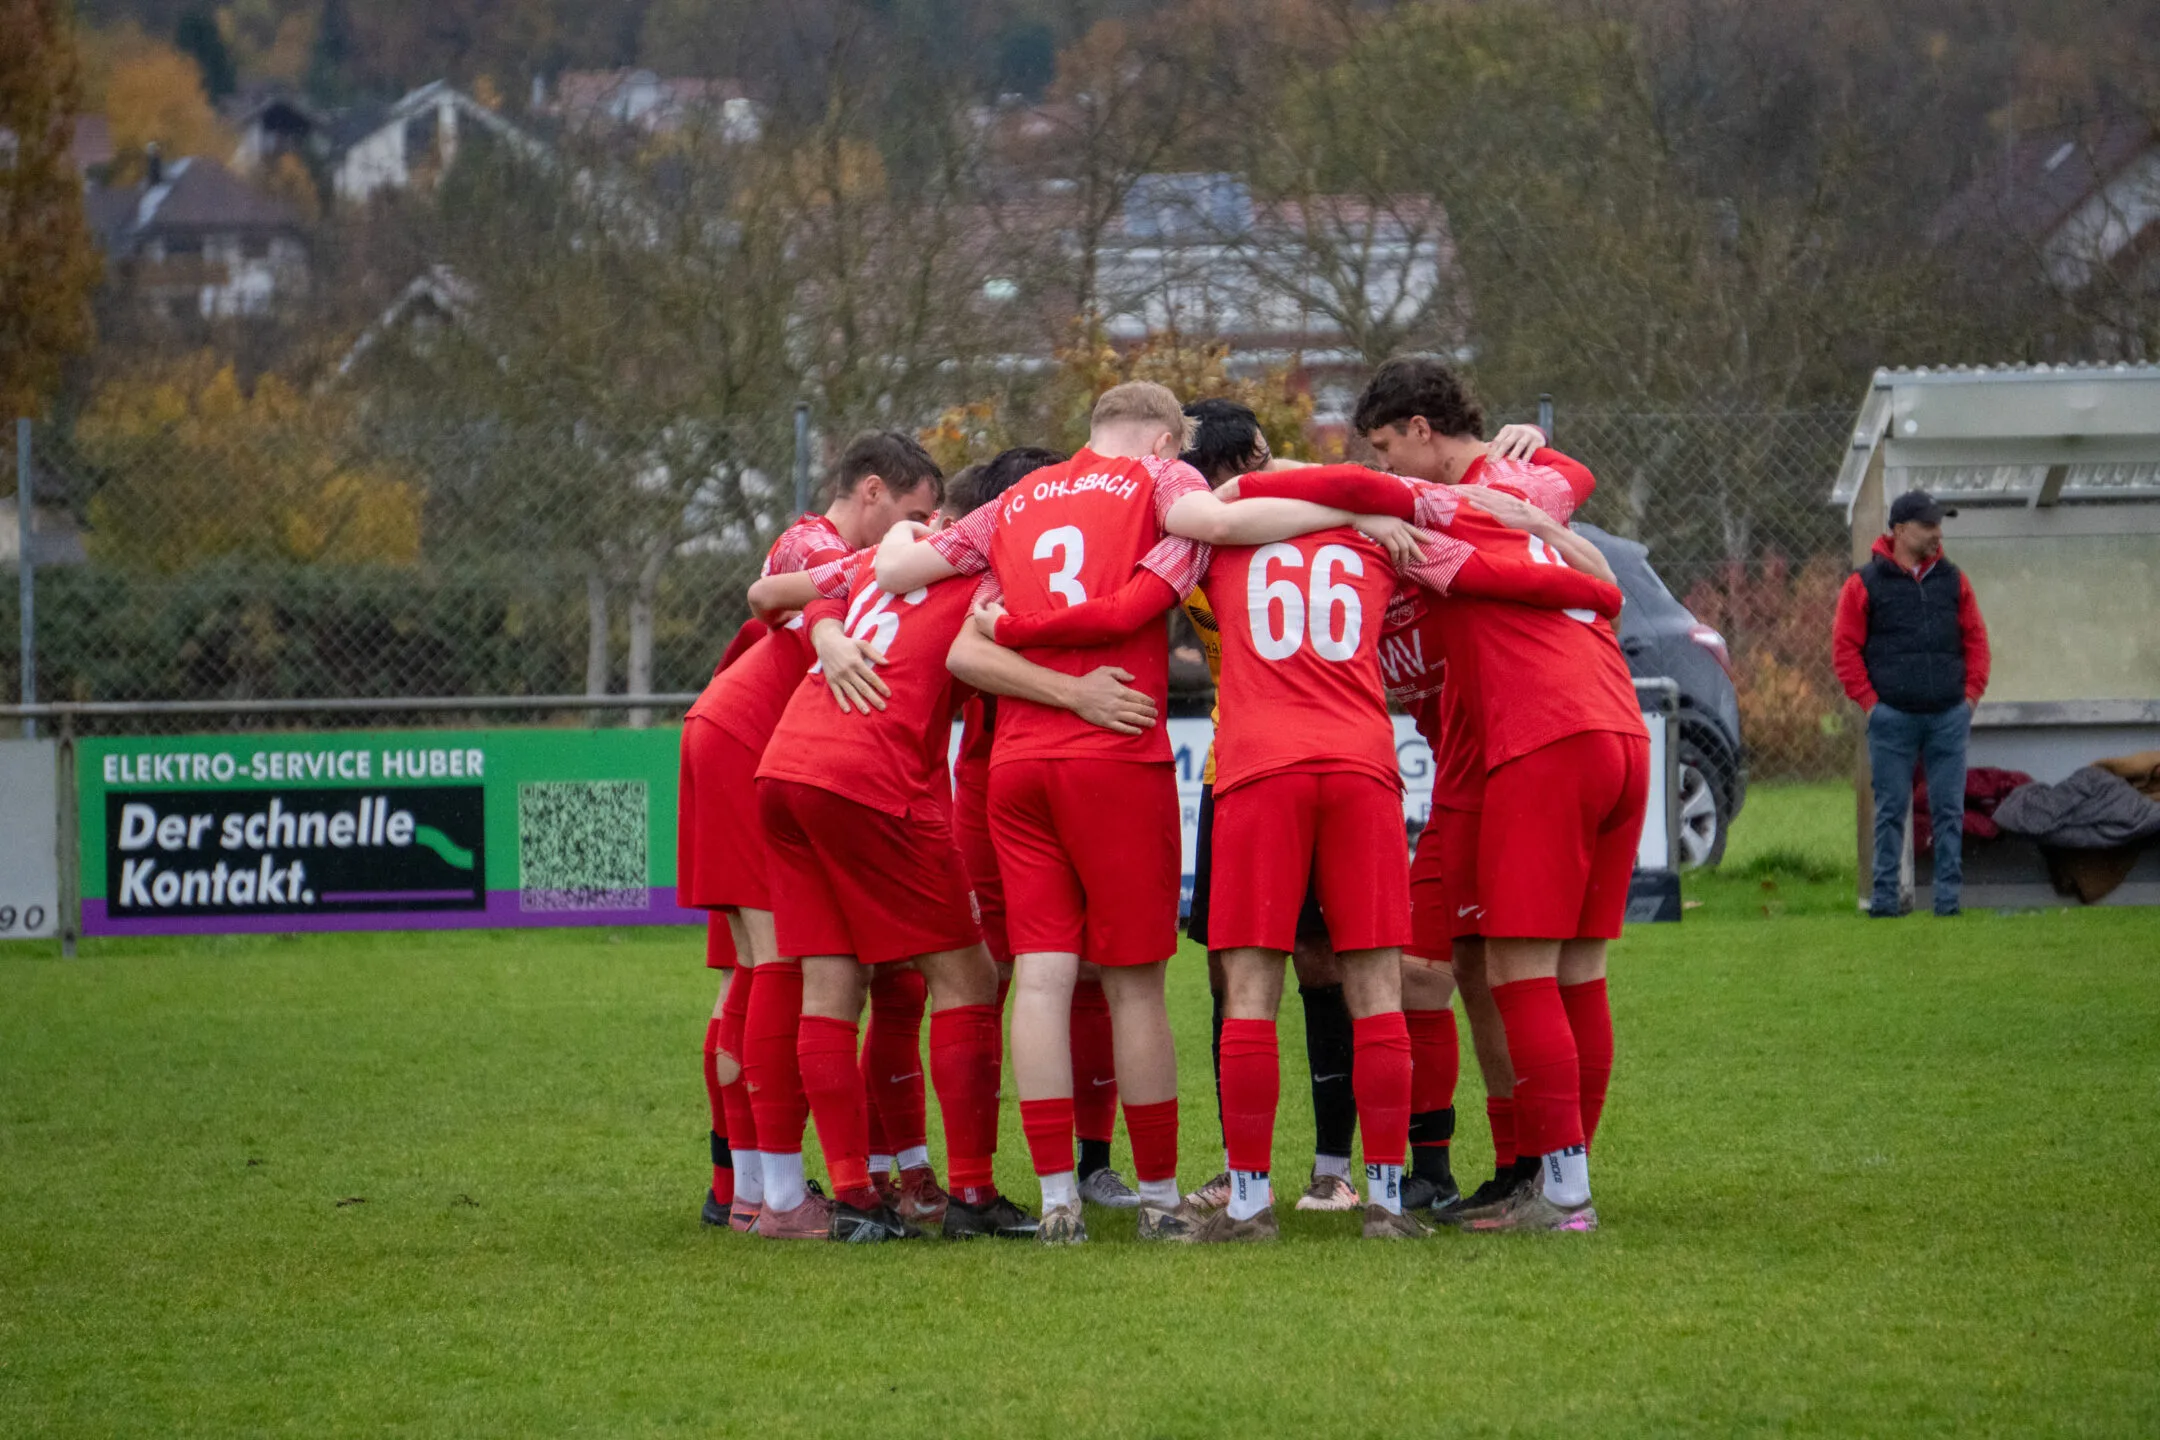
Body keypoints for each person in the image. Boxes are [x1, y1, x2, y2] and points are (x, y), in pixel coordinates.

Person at [880, 381, 1400, 1243]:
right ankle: (1157, 1194)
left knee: (1041, 978)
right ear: (1165, 441)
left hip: (1016, 765)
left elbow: (901, 572)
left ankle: (1056, 1203)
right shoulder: (1160, 487)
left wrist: (949, 572)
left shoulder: (1010, 500)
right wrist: (1348, 511)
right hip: (1115, 751)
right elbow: (1220, 528)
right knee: (1133, 985)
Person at [1241, 355, 1637, 1233]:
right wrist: (1591, 581)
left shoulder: (1444, 514)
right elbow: (1569, 506)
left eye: (1389, 450)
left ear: (1423, 433)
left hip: (1537, 740)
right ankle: (1524, 1174)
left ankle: (1558, 1187)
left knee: (1516, 971)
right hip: (1600, 731)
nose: (1382, 474)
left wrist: (1260, 479)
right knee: (1539, 970)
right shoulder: (1518, 492)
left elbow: (1377, 494)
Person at [680, 431, 943, 1236]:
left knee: (750, 974)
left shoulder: (838, 554)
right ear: (870, 492)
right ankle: (778, 1198)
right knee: (778, 968)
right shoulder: (816, 541)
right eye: (912, 514)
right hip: (745, 744)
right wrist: (830, 633)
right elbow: (771, 599)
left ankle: (743, 1187)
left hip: (736, 738)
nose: (920, 534)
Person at [1172, 399, 1367, 1216]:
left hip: (1263, 765)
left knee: (1306, 966)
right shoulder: (1198, 532)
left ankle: (1330, 1168)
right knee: (1237, 972)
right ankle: (1243, 1164)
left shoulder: (1226, 526)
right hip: (1244, 761)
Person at [946, 449, 1144, 1209]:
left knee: (1082, 970)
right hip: (998, 784)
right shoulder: (980, 577)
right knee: (998, 976)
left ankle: (1083, 1168)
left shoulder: (1031, 568)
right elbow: (965, 661)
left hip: (1036, 776)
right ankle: (979, 1177)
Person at [1832, 490, 1991, 919]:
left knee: (1948, 811)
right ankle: (1885, 902)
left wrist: (1969, 698)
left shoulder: (1955, 581)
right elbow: (1844, 650)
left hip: (1947, 716)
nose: (1937, 533)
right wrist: (1871, 704)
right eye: (1928, 526)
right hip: (1892, 718)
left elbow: (1976, 641)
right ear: (1900, 530)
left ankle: (1947, 903)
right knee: (1890, 812)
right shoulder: (1863, 584)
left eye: (1939, 525)